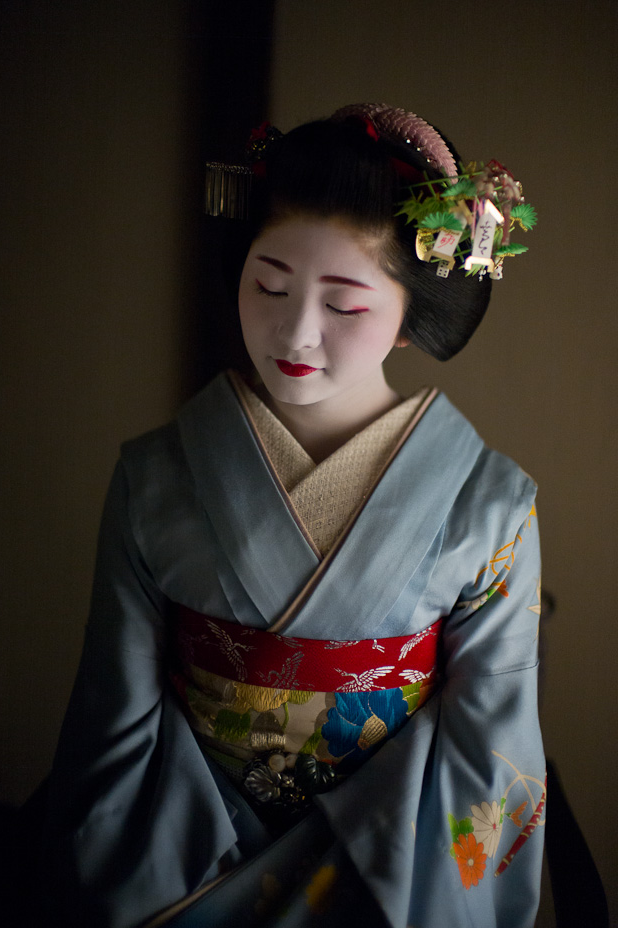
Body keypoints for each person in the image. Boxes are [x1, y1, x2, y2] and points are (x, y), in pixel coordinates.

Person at [40, 104, 545, 928]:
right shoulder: (155, 477)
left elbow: (491, 750)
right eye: (269, 284)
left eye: (344, 305)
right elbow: (113, 718)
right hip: (182, 862)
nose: (295, 330)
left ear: (411, 318)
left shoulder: (490, 505)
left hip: (391, 871)